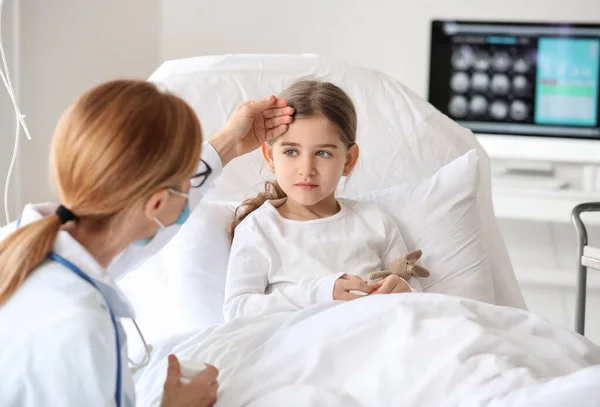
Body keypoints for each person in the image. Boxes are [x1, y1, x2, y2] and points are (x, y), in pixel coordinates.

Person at [0, 79, 294, 407]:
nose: (188, 196)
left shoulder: (17, 244)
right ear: (156, 204)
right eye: (187, 183)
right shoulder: (83, 326)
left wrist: (228, 143)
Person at [223, 79, 422, 322]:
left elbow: (417, 301)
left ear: (349, 160)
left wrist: (404, 291)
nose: (306, 169)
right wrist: (320, 292)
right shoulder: (260, 229)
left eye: (323, 153)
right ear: (270, 156)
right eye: (291, 152)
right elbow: (236, 310)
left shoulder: (376, 222)